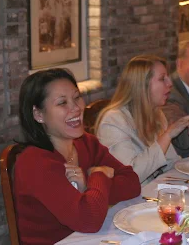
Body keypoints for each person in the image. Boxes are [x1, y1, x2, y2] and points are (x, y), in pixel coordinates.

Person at [14, 68, 141, 245]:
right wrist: (98, 174)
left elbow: (132, 183)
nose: (76, 108)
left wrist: (89, 187)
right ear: (38, 114)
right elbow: (88, 220)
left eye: (76, 97)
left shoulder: (86, 143)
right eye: (62, 103)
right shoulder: (34, 163)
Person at [95, 56, 189, 185]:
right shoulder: (113, 121)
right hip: (128, 201)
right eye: (162, 78)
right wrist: (168, 135)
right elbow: (131, 176)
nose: (170, 83)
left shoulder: (156, 113)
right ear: (142, 85)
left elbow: (171, 163)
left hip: (153, 193)